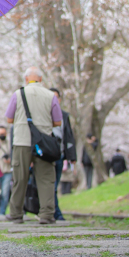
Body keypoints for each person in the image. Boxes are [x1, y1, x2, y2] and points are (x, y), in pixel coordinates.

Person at [5, 67, 62, 225]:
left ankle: (16, 214)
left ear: (26, 79)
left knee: (20, 178)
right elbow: (58, 122)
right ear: (41, 79)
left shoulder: (18, 94)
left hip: (22, 140)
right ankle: (46, 214)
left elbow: (9, 119)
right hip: (43, 142)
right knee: (45, 178)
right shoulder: (51, 95)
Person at [49, 88, 76, 221]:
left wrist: (72, 156)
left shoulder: (65, 115)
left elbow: (69, 136)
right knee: (51, 185)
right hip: (46, 154)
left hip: (59, 154)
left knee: (55, 184)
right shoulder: (43, 113)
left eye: (56, 97)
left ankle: (53, 211)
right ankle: (56, 213)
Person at [0, 125, 12, 218]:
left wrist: (10, 160)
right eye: (0, 133)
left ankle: (2, 212)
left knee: (5, 193)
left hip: (7, 171)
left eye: (4, 133)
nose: (2, 135)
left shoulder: (9, 143)